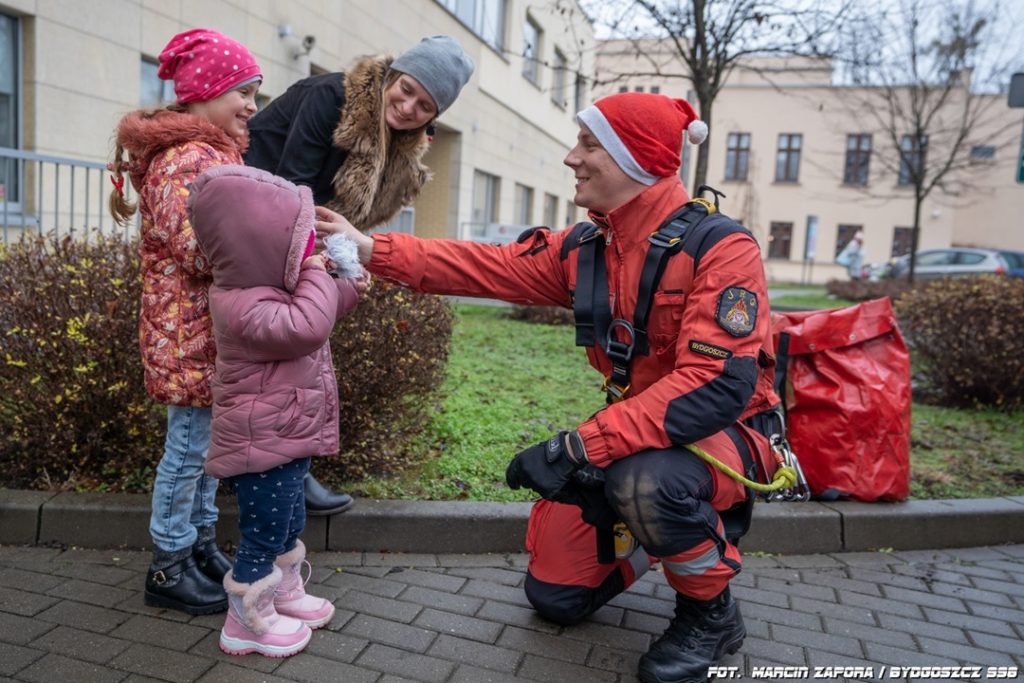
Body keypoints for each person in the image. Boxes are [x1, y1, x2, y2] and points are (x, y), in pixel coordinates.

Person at [317, 92, 782, 682]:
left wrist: (581, 448)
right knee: (556, 598)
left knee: (645, 481)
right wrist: (370, 248)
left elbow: (713, 387)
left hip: (729, 436)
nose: (572, 158)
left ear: (633, 160)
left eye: (590, 146)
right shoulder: (589, 247)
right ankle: (650, 531)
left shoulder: (721, 248)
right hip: (639, 434)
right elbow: (487, 265)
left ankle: (710, 615)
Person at [244, 35, 474, 516]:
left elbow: (345, 214)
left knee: (303, 358)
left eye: (424, 105)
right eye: (406, 89)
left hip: (294, 238)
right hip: (251, 228)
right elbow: (294, 188)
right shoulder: (332, 98)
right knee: (279, 361)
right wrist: (333, 265)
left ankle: (289, 471)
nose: (408, 106)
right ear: (393, 75)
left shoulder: (398, 145)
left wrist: (347, 264)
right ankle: (275, 475)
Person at [109, 28, 262, 615]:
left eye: (254, 93)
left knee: (206, 451)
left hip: (208, 331)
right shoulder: (183, 159)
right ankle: (168, 564)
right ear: (204, 91)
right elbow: (194, 248)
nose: (250, 104)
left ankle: (198, 544)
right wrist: (258, 247)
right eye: (241, 91)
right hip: (186, 331)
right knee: (188, 450)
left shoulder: (213, 153)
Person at [187, 165, 366, 657]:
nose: (306, 248)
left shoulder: (273, 289)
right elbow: (307, 327)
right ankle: (246, 619)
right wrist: (314, 272)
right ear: (259, 244)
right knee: (262, 535)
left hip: (285, 436)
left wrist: (348, 277)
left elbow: (322, 311)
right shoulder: (238, 300)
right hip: (259, 446)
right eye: (298, 240)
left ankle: (284, 592)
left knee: (287, 524)